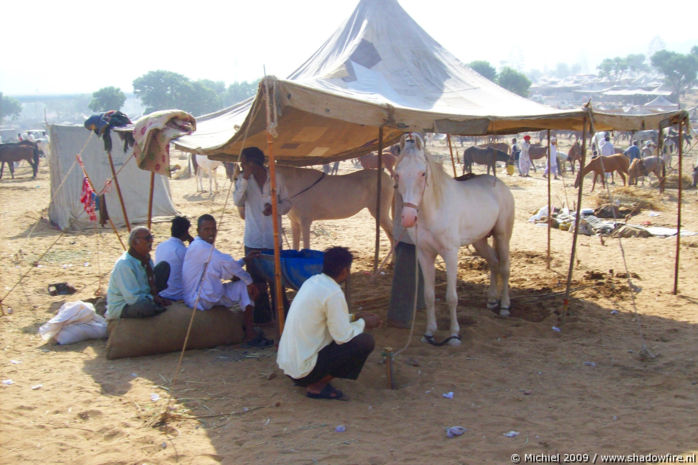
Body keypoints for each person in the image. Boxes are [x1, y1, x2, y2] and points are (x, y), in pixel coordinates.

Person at [277, 246, 381, 400]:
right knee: (364, 342)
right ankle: (316, 386)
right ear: (345, 271)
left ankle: (315, 379)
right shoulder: (333, 292)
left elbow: (328, 318)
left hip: (289, 366)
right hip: (303, 372)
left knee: (353, 335)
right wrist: (364, 323)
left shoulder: (312, 281)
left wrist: (355, 317)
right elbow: (342, 337)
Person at [182, 214, 269, 346]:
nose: (211, 233)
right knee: (247, 286)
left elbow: (226, 266)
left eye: (213, 229)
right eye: (206, 229)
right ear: (198, 231)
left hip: (209, 294)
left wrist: (244, 261)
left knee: (242, 287)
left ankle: (249, 331)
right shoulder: (200, 247)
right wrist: (250, 282)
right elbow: (226, 263)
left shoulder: (205, 247)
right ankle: (250, 332)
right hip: (199, 297)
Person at [233, 146, 292, 323]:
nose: (242, 165)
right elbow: (237, 200)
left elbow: (287, 203)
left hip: (272, 239)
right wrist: (244, 178)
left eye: (244, 162)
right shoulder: (243, 179)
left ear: (252, 162)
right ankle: (262, 318)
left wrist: (276, 209)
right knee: (257, 282)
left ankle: (281, 316)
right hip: (253, 239)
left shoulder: (275, 178)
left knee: (276, 281)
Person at [105, 227, 171, 320]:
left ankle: (154, 301)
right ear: (135, 243)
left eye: (151, 237)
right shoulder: (125, 264)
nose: (151, 240)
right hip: (125, 305)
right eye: (147, 238)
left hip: (144, 295)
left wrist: (154, 295)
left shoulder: (145, 258)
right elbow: (132, 299)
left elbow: (150, 280)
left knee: (163, 267)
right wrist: (153, 298)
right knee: (145, 307)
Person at [386, 192, 425, 328]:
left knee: (419, 272)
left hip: (420, 235)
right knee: (405, 275)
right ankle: (399, 316)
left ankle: (418, 304)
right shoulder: (409, 180)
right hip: (408, 234)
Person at [154, 216, 193, 301]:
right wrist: (192, 242)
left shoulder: (160, 246)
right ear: (186, 233)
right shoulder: (183, 251)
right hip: (177, 295)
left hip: (161, 292)